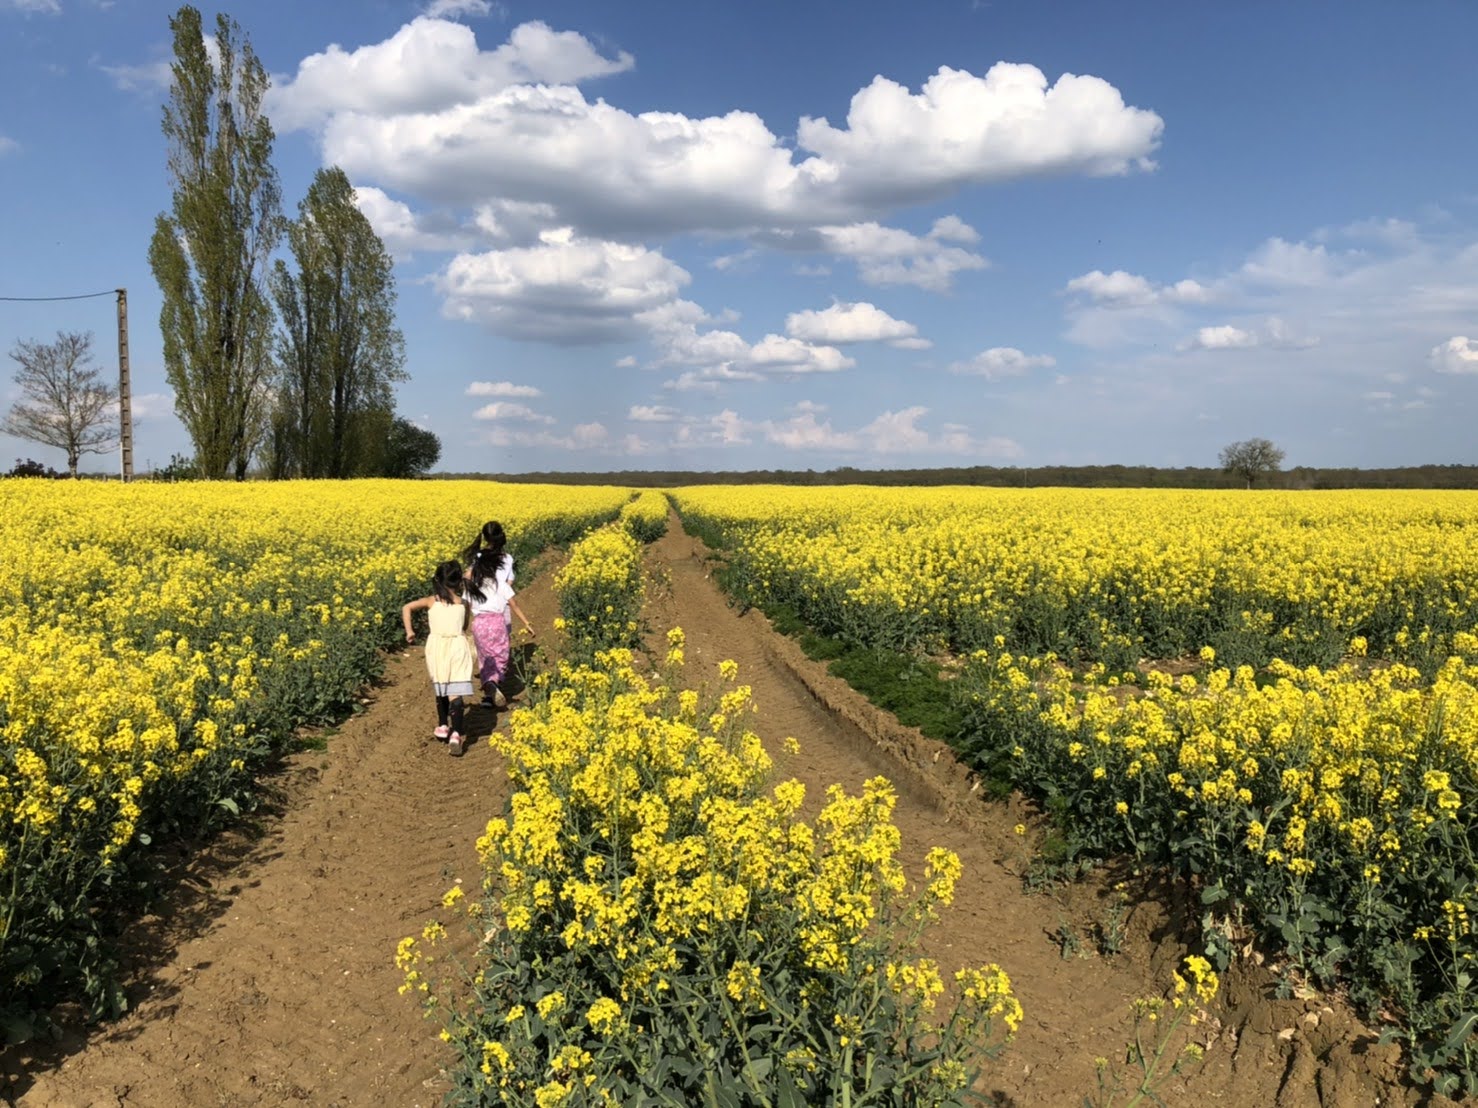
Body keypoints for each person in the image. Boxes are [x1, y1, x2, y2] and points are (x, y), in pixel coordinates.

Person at [402, 560, 477, 757]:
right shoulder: (464, 603)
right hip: (457, 647)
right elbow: (464, 626)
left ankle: (443, 725)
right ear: (459, 582)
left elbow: (406, 607)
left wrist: (409, 631)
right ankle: (456, 734)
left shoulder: (430, 601)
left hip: (436, 648)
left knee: (441, 684)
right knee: (456, 691)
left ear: (438, 581)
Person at [462, 520, 534, 709]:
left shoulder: (478, 557)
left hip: (480, 617)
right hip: (500, 610)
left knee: (486, 655)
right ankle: (496, 684)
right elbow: (509, 585)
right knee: (501, 652)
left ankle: (488, 694)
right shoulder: (507, 558)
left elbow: (467, 579)